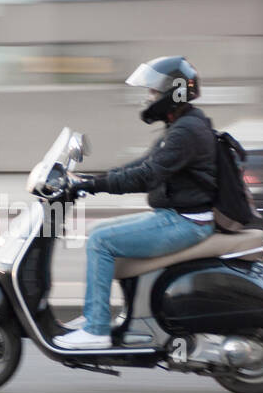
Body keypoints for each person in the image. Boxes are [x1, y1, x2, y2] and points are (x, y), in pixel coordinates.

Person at [54, 56, 217, 350]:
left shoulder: (186, 132)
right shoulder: (183, 126)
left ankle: (96, 330)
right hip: (178, 216)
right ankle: (115, 317)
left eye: (154, 92)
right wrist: (90, 180)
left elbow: (146, 176)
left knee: (102, 240)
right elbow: (144, 165)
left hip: (186, 222)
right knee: (99, 232)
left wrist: (93, 185)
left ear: (172, 93)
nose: (148, 97)